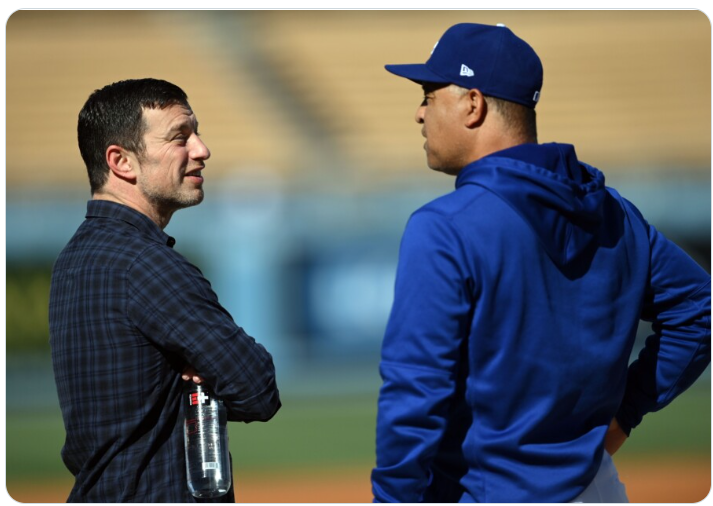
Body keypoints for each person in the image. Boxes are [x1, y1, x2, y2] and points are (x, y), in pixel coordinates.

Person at [371, 23, 710, 503]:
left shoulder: (445, 225)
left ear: (473, 104)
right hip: (595, 488)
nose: (419, 113)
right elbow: (702, 311)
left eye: (429, 93)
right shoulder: (615, 214)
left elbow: (414, 392)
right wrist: (624, 416)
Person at [49, 78, 281, 502]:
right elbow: (256, 388)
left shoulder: (75, 257)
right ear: (122, 161)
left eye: (196, 132)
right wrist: (209, 376)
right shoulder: (146, 264)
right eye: (180, 137)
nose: (202, 149)